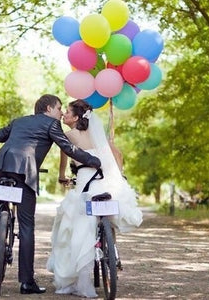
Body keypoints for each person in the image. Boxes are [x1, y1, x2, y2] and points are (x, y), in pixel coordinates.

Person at [0, 94, 101, 295]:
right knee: (26, 226)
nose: (60, 113)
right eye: (59, 108)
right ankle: (26, 282)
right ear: (49, 108)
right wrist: (93, 160)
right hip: (23, 174)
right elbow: (68, 148)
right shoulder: (51, 125)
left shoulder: (19, 121)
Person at [47, 99, 143, 298]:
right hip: (107, 181)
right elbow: (118, 154)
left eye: (67, 112)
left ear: (75, 117)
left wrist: (62, 177)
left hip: (85, 182)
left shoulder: (68, 135)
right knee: (107, 213)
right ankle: (111, 247)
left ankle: (78, 277)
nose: (64, 114)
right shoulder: (98, 135)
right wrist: (119, 174)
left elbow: (63, 162)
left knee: (73, 225)